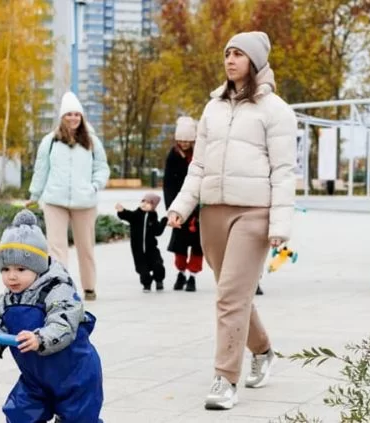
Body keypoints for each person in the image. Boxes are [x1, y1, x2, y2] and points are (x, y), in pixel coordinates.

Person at [167, 31, 296, 410]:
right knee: (232, 294)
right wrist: (181, 206)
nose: (230, 59)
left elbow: (284, 171)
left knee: (228, 297)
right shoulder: (213, 108)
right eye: (227, 53)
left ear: (255, 61)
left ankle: (225, 378)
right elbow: (200, 165)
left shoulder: (276, 111)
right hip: (213, 212)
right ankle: (264, 350)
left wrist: (279, 226)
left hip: (253, 213)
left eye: (238, 53)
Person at [0, 209, 103, 423]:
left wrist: (40, 338)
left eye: (20, 269)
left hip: (75, 376)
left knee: (79, 419)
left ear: (38, 267)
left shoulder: (57, 290)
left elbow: (63, 324)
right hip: (36, 380)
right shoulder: (5, 301)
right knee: (19, 414)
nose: (12, 276)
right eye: (5, 269)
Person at [26, 91, 110, 301]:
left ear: (81, 117)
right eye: (69, 114)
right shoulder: (50, 141)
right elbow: (41, 169)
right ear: (62, 117)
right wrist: (35, 195)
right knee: (56, 248)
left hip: (85, 202)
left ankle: (89, 288)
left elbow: (101, 167)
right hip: (55, 201)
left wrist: (95, 185)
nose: (73, 118)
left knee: (86, 247)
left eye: (77, 115)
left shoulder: (91, 141)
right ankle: (59, 288)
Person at [163, 116, 204, 292]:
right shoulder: (173, 156)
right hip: (179, 206)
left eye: (188, 140)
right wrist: (172, 208)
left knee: (197, 245)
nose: (184, 143)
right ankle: (180, 273)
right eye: (181, 140)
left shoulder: (199, 156)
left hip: (198, 208)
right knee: (179, 244)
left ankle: (193, 276)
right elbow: (168, 184)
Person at [115, 193, 168, 292]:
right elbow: (127, 215)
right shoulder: (135, 215)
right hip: (138, 250)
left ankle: (159, 281)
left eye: (148, 203)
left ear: (153, 206)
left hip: (152, 249)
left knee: (158, 265)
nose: (144, 204)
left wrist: (164, 221)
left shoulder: (153, 217)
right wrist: (121, 211)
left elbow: (158, 231)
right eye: (143, 201)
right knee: (143, 270)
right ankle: (146, 284)